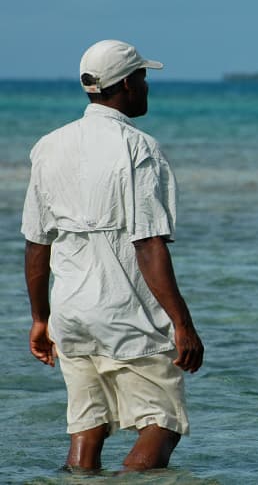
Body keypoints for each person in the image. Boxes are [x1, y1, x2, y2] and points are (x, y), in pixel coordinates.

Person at [22, 39, 204, 472]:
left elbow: (36, 243)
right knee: (163, 422)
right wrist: (183, 324)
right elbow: (148, 243)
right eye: (142, 77)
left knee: (88, 427)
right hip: (125, 313)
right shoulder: (139, 148)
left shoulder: (49, 145)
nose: (146, 86)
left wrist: (40, 318)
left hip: (71, 313)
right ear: (125, 84)